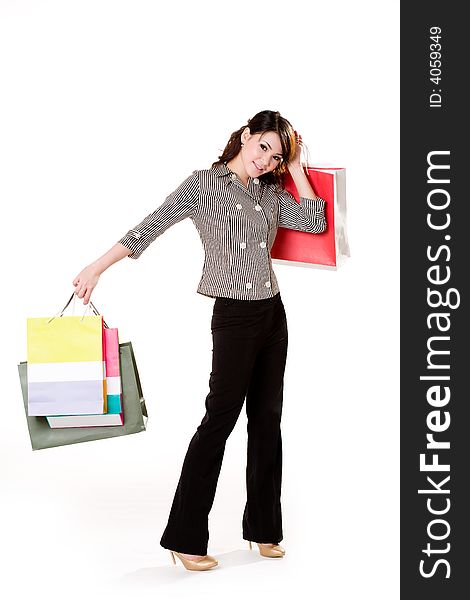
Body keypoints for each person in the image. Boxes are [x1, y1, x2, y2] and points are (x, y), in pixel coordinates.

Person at [73, 109, 326, 571]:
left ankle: (265, 530)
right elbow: (148, 227)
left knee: (267, 418)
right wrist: (95, 268)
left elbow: (313, 222)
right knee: (218, 422)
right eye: (263, 147)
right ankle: (185, 537)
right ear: (246, 136)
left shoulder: (271, 191)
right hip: (233, 316)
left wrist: (295, 169)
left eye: (275, 156)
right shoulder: (202, 185)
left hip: (273, 312)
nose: (266, 160)